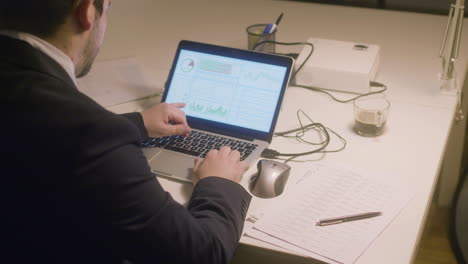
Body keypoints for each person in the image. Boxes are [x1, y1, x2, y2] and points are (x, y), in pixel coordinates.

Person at [0, 0, 251, 263]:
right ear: (86, 12)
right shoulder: (90, 133)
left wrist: (137, 123)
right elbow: (201, 254)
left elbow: (35, 124)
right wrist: (218, 182)